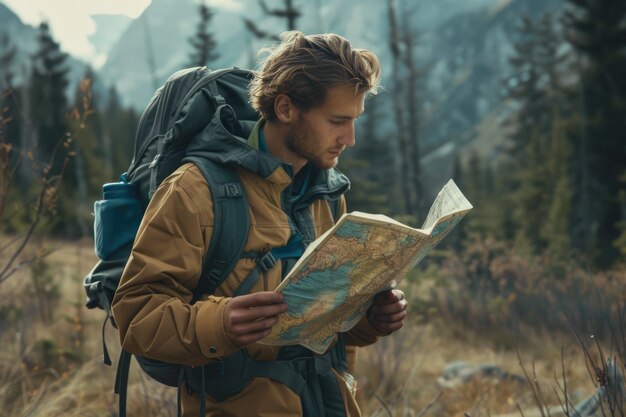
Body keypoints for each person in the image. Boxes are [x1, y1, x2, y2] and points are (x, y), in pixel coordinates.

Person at [111, 31, 408, 417]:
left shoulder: (327, 194)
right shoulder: (195, 189)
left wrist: (371, 318)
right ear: (285, 108)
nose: (349, 138)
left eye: (354, 121)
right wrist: (219, 324)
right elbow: (136, 315)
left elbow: (323, 324)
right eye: (337, 120)